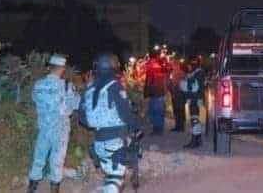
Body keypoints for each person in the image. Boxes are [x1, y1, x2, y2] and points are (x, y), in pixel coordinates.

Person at [80, 53, 140, 193]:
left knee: (110, 176)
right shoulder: (115, 86)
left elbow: (82, 117)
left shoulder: (89, 89)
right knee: (115, 178)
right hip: (115, 141)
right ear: (114, 67)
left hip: (98, 142)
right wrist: (135, 129)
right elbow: (125, 113)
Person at [27, 54, 81, 193]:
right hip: (60, 129)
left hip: (44, 128)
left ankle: (31, 188)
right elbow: (76, 105)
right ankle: (54, 189)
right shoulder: (66, 86)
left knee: (39, 158)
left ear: (50, 67)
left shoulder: (38, 85)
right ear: (62, 68)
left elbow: (35, 99)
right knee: (57, 161)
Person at [182, 57, 205, 149]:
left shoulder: (197, 74)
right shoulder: (199, 73)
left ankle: (194, 141)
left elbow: (192, 87)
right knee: (196, 120)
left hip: (195, 99)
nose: (188, 67)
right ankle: (198, 139)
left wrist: (185, 83)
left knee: (194, 119)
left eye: (190, 65)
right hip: (196, 99)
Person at [144, 51, 168, 135]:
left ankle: (157, 130)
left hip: (155, 93)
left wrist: (146, 93)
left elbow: (149, 82)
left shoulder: (152, 67)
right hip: (159, 93)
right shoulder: (160, 66)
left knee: (155, 112)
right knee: (159, 112)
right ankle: (159, 129)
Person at [169, 60, 186, 132]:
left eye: (173, 65)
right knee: (177, 111)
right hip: (176, 94)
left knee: (179, 111)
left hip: (179, 95)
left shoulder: (179, 73)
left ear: (177, 65)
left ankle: (180, 127)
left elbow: (178, 84)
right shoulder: (175, 73)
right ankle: (178, 126)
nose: (172, 67)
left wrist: (173, 86)